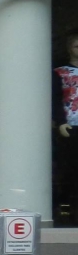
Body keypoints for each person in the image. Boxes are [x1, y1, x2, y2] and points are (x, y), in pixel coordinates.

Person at [52, 32, 78, 225]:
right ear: (70, 48)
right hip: (71, 126)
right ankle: (68, 210)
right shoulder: (60, 72)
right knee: (69, 170)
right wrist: (60, 121)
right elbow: (54, 100)